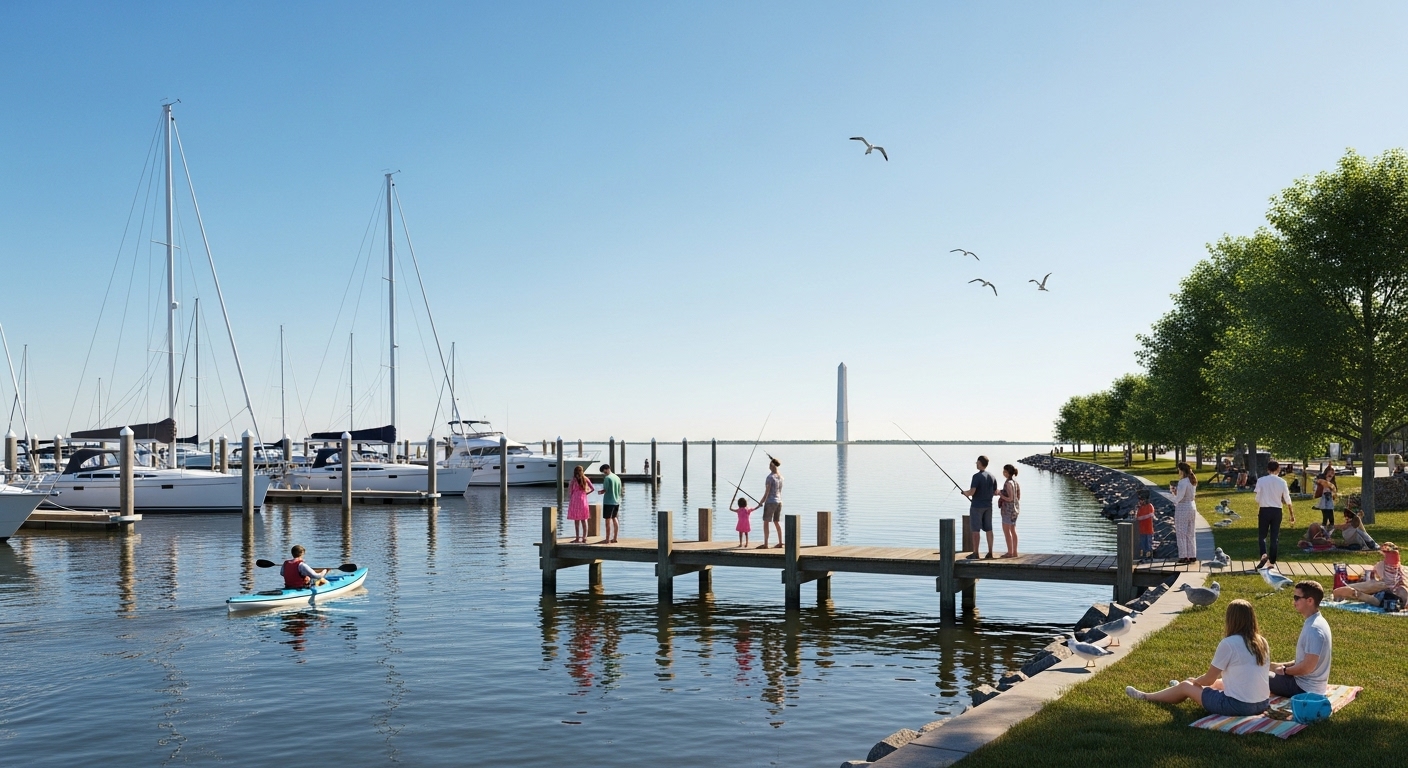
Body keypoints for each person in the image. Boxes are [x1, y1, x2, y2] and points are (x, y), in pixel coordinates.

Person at [1125, 599, 1270, 716]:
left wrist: (1195, 682)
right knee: (1218, 683)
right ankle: (1179, 689)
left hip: (1239, 707)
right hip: (1262, 704)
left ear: (1230, 619)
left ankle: (1146, 696)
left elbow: (1208, 679)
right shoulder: (1262, 641)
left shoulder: (1229, 643)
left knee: (1186, 686)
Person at [1270, 580, 1332, 697]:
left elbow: (1307, 667)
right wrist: (1279, 665)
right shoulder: (1317, 621)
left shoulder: (1314, 629)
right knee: (1268, 669)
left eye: (1297, 598)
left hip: (1303, 688)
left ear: (1310, 601)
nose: (1294, 602)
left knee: (1259, 676)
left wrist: (1284, 671)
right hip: (1310, 686)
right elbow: (1305, 660)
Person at [1332, 542, 1406, 607]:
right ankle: (1359, 594)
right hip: (1395, 594)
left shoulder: (1381, 566)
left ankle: (1357, 594)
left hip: (1385, 590)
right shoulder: (1400, 570)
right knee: (1383, 596)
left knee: (1378, 592)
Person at [1254, 460, 1296, 568]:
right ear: (1278, 469)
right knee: (1274, 537)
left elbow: (1257, 498)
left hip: (1264, 510)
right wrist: (1291, 514)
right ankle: (1272, 562)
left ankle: (1263, 554)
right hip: (1277, 511)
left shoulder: (1261, 480)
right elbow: (1287, 499)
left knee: (1262, 536)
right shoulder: (1282, 482)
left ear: (1267, 469)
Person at [961, 455, 998, 559]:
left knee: (975, 530)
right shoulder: (992, 476)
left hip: (977, 506)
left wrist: (965, 493)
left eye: (977, 462)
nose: (976, 464)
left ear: (980, 463)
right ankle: (990, 553)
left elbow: (972, 492)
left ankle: (976, 553)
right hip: (988, 506)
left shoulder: (976, 477)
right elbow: (995, 492)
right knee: (989, 529)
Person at [1170, 461, 1200, 564]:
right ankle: (1192, 555)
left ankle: (1183, 556)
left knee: (1181, 532)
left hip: (1183, 508)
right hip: (1192, 506)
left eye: (1179, 470)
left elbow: (1180, 497)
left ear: (1182, 471)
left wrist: (1173, 495)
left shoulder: (1183, 482)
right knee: (1190, 532)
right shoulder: (1192, 481)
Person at [758, 456, 784, 549]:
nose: (769, 466)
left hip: (770, 502)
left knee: (766, 522)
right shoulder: (781, 477)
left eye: (770, 465)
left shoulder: (770, 477)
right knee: (776, 522)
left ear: (772, 466)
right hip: (779, 501)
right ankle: (780, 542)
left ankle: (766, 544)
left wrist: (761, 502)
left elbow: (767, 492)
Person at [997, 464, 1022, 558]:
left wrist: (1000, 494)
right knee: (1013, 530)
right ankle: (1015, 552)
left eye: (1004, 471)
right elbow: (1018, 497)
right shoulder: (1015, 483)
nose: (1003, 473)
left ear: (1007, 473)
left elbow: (1010, 498)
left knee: (1007, 531)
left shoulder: (1008, 483)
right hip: (1015, 510)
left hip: (1007, 511)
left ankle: (1010, 552)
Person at [566, 465, 594, 543]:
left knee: (576, 520)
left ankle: (577, 538)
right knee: (584, 519)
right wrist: (586, 493)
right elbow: (592, 488)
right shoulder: (585, 479)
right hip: (583, 500)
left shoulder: (573, 480)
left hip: (574, 500)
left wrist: (572, 497)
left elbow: (570, 491)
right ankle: (584, 537)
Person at [596, 463, 622, 544]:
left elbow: (605, 489)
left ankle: (607, 539)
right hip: (616, 501)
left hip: (608, 501)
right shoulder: (617, 477)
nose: (604, 473)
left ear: (606, 469)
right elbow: (620, 489)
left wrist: (600, 492)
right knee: (615, 518)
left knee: (607, 520)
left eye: (603, 471)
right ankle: (615, 538)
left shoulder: (607, 478)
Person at [1135, 489, 1156, 561]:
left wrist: (1142, 517)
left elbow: (1150, 515)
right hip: (1142, 530)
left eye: (1141, 500)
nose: (1140, 501)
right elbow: (1138, 517)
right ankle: (1143, 556)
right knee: (1142, 544)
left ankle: (1149, 556)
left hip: (1148, 530)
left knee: (1148, 544)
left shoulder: (1150, 506)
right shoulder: (1140, 508)